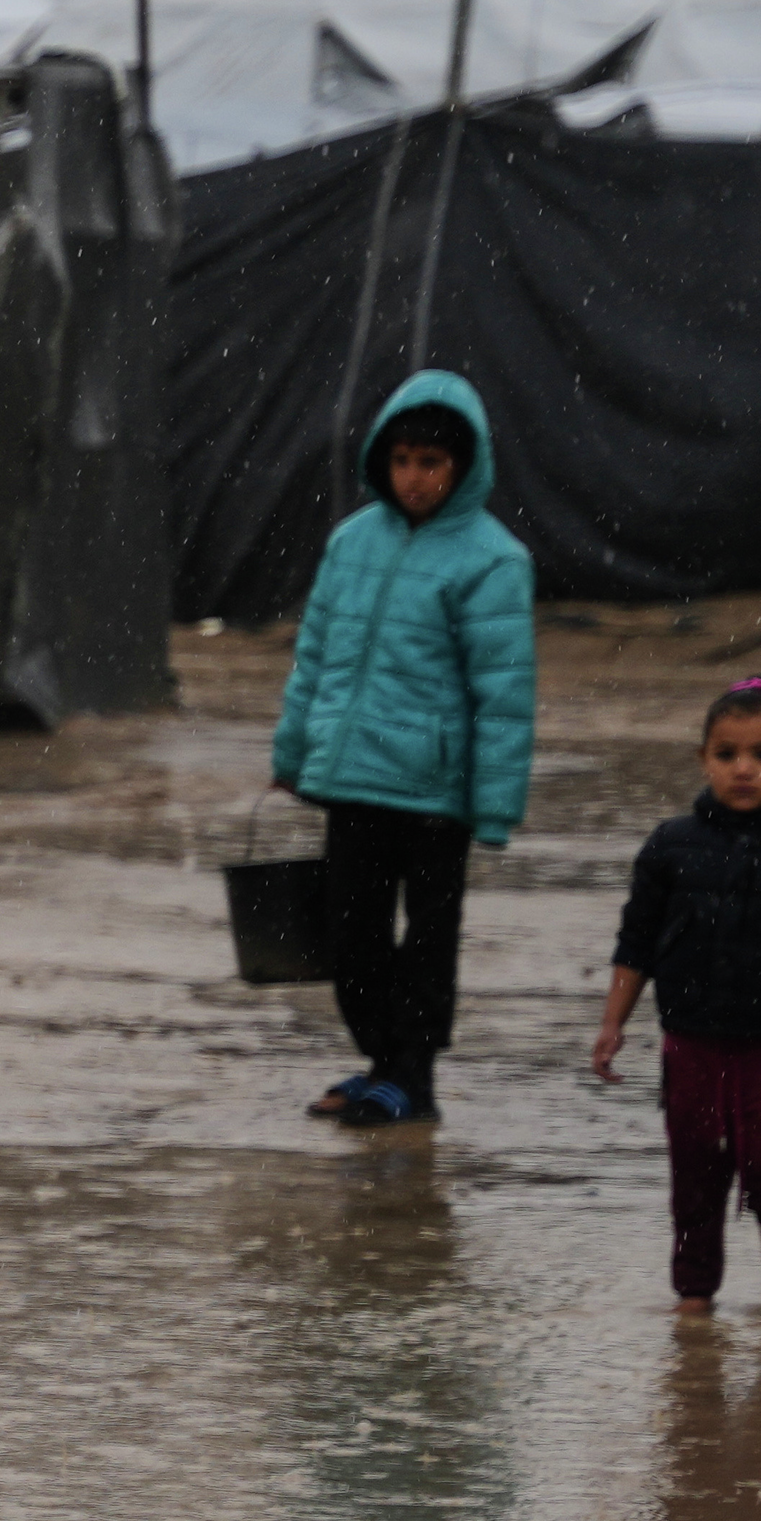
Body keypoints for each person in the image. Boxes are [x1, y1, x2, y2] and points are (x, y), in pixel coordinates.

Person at [271, 369, 538, 1130]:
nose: (415, 479)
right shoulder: (353, 542)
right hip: (353, 780)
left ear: (463, 466)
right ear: (381, 462)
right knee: (350, 938)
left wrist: (493, 805)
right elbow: (315, 658)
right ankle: (385, 1064)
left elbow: (505, 693)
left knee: (425, 943)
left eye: (432, 463)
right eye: (402, 461)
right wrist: (294, 754)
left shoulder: (492, 560)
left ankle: (410, 1082)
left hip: (434, 790)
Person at [591, 680, 761, 1319]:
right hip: (689, 1041)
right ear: (703, 759)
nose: (743, 768)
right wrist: (612, 1024)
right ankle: (694, 1304)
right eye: (726, 754)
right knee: (694, 1175)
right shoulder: (671, 845)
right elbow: (636, 942)